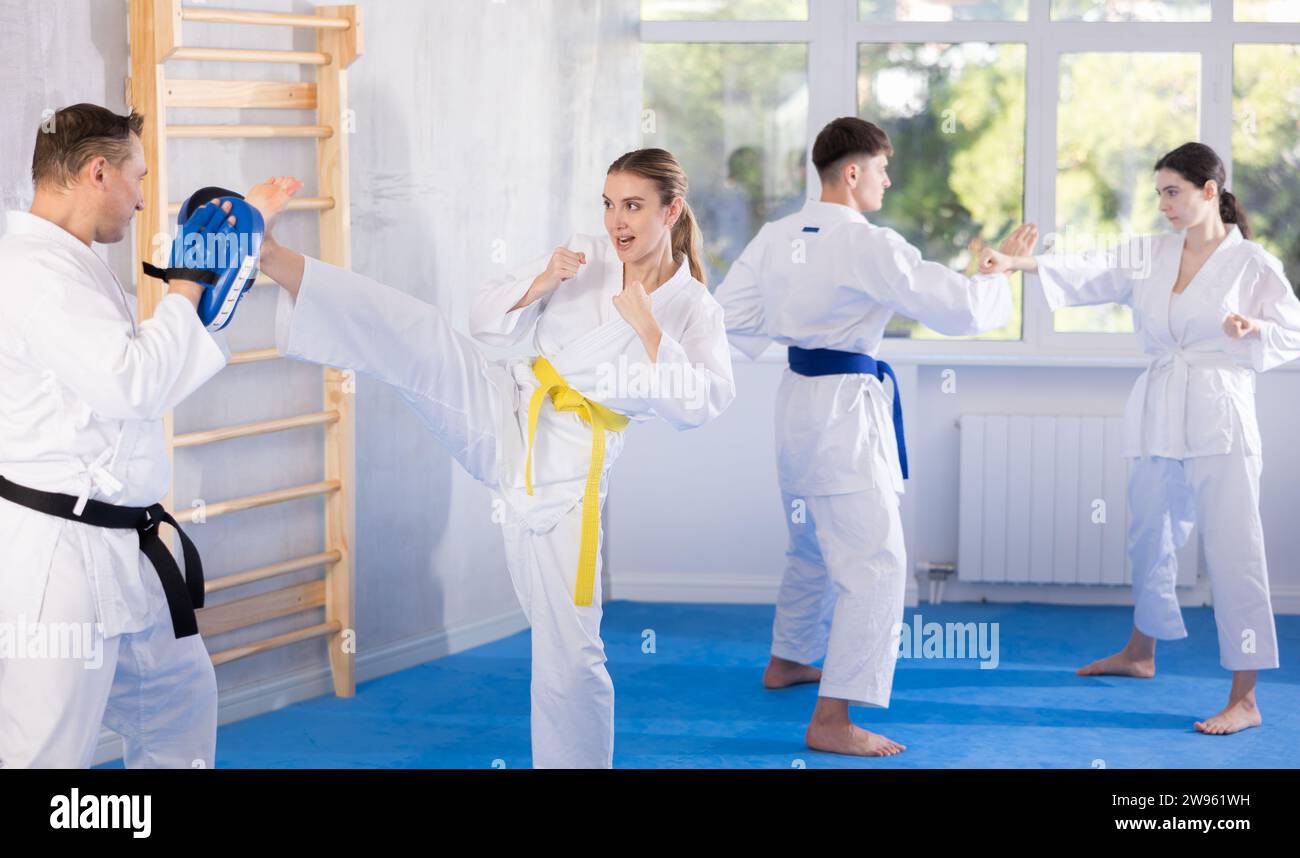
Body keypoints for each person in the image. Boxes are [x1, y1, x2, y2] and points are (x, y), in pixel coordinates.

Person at [256, 150, 736, 768]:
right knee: (419, 332)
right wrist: (542, 281)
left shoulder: (692, 306)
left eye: (634, 206)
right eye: (610, 204)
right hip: (506, 407)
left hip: (570, 473)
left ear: (671, 211)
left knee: (569, 650)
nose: (617, 220)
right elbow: (482, 320)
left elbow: (702, 403)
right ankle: (267, 254)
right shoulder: (583, 253)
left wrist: (649, 331)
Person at [716, 116, 1034, 757]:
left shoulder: (776, 236)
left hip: (796, 405)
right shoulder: (868, 244)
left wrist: (799, 320)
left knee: (810, 546)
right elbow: (958, 309)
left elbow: (731, 318)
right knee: (878, 566)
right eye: (883, 169)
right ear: (854, 172)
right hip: (841, 415)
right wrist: (999, 272)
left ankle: (790, 659)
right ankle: (834, 718)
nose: (889, 181)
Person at [0, 103, 291, 767]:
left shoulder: (67, 262)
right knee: (43, 754)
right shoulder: (33, 274)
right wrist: (189, 283)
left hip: (125, 550)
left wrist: (223, 262)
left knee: (178, 713)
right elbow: (134, 383)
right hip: (61, 564)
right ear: (97, 172)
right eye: (138, 176)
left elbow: (133, 384)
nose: (141, 200)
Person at [981, 141, 1300, 735]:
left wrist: (1253, 327)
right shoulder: (1152, 253)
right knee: (1148, 532)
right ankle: (1140, 653)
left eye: (1172, 192)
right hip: (1159, 408)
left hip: (1221, 413)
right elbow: (1090, 267)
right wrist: (1018, 264)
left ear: (1210, 191)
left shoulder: (1252, 263)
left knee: (1235, 547)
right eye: (1158, 193)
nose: (1163, 204)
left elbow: (1293, 330)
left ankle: (1246, 697)